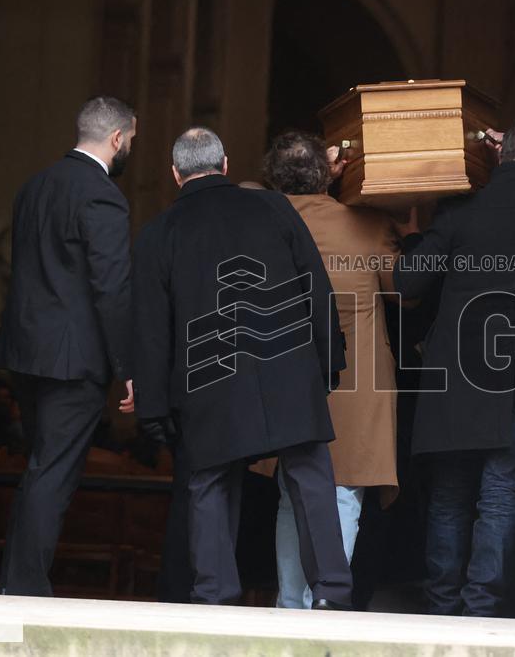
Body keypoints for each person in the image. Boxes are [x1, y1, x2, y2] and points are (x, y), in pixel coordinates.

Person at [131, 127, 353, 608]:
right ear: (226, 163)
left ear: (175, 174)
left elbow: (151, 330)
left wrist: (153, 408)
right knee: (311, 479)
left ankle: (215, 597)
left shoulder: (157, 234)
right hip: (288, 366)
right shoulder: (276, 208)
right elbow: (314, 284)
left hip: (208, 375)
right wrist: (328, 361)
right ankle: (333, 593)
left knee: (208, 484)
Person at [393, 119, 515, 617]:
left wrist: (416, 238)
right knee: (502, 496)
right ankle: (482, 609)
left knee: (448, 497)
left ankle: (442, 607)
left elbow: (409, 285)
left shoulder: (459, 213)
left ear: (498, 158)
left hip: (456, 377)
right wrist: (514, 151)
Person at [0, 96, 137, 596]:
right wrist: (129, 366)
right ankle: (25, 589)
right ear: (118, 138)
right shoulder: (103, 196)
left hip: (25, 351)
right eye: (132, 140)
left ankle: (18, 583)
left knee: (39, 467)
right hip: (72, 359)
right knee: (52, 473)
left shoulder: (32, 187)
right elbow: (111, 287)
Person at [257, 131, 400, 609]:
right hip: (356, 380)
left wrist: (318, 171)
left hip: (285, 377)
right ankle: (324, 602)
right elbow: (405, 288)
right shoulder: (364, 224)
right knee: (341, 495)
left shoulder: (261, 219)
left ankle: (290, 605)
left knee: (291, 495)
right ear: (327, 173)